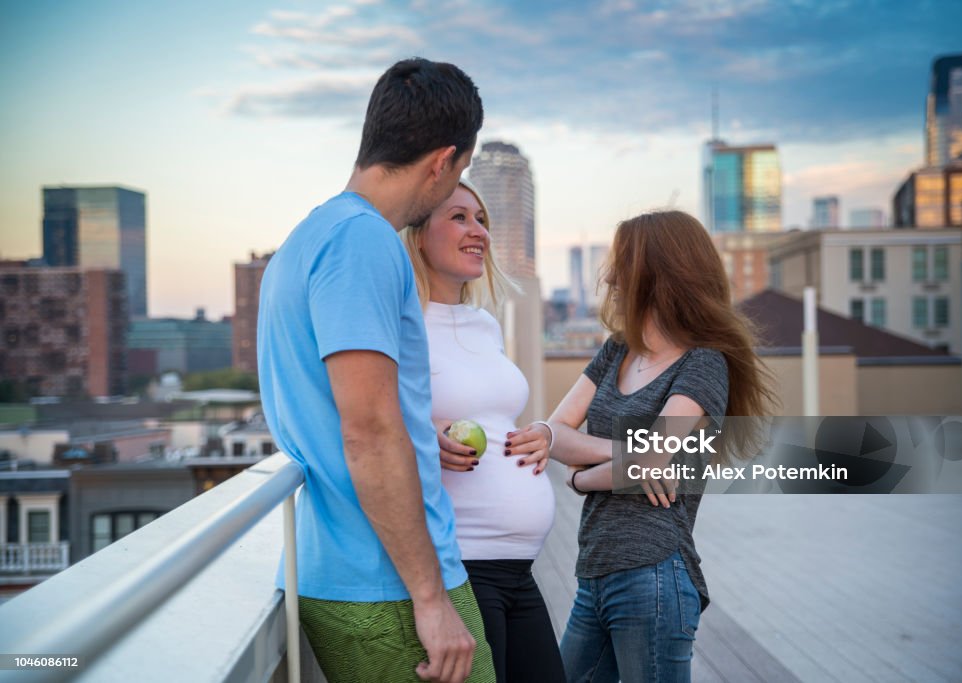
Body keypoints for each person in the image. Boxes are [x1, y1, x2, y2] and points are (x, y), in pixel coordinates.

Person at [257, 58, 496, 683]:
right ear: (442, 161)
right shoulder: (362, 242)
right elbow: (366, 429)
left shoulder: (307, 240)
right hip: (386, 580)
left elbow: (346, 409)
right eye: (461, 173)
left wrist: (419, 437)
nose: (455, 187)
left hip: (352, 565)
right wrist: (431, 599)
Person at [549, 210, 778, 683]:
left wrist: (577, 476)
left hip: (652, 577)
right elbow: (554, 432)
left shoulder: (703, 364)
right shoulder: (617, 350)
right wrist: (624, 459)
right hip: (594, 572)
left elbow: (649, 458)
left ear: (657, 274)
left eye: (621, 263)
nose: (609, 277)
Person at [399, 179, 567, 683]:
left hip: (519, 568)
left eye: (482, 220)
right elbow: (369, 425)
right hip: (464, 567)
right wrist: (422, 441)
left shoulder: (484, 324)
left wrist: (542, 434)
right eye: (458, 217)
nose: (478, 232)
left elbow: (493, 417)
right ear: (418, 234)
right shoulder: (400, 324)